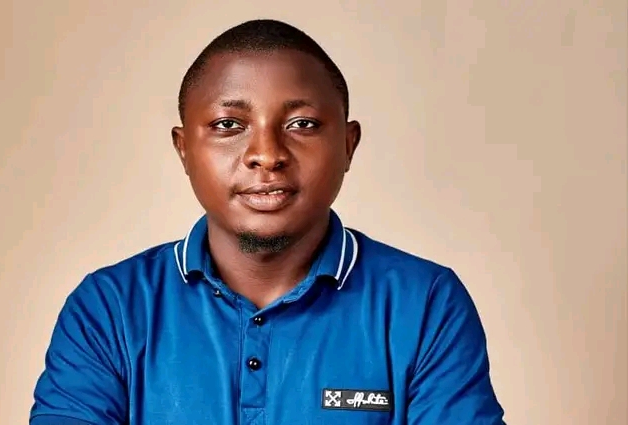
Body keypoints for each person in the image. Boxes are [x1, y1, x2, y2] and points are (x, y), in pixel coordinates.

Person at [29, 19, 506, 425]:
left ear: (348, 145)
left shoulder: (424, 303)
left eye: (302, 124)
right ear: (183, 148)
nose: (267, 154)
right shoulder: (109, 307)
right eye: (228, 125)